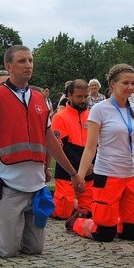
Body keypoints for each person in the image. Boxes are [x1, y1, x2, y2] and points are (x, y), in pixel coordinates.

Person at [0, 45, 82, 257]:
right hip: (9, 185)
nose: (28, 65)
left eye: (30, 60)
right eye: (22, 61)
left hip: (36, 186)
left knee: (34, 249)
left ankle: (8, 232)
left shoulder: (39, 98)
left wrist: (73, 173)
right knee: (6, 249)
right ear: (8, 66)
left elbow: (50, 140)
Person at [69, 66, 134, 242]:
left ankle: (115, 222)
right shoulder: (100, 110)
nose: (130, 87)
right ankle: (79, 222)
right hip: (108, 174)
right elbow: (90, 147)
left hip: (132, 175)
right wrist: (80, 176)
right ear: (113, 83)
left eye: (133, 83)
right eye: (125, 82)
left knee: (131, 235)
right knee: (104, 235)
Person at [50, 79, 93, 220]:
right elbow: (62, 147)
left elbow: (97, 144)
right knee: (62, 213)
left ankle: (76, 207)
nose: (83, 100)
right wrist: (82, 166)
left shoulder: (92, 116)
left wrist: (89, 165)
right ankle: (60, 201)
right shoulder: (59, 117)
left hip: (89, 168)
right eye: (79, 97)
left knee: (89, 211)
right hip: (67, 168)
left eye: (86, 96)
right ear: (69, 95)